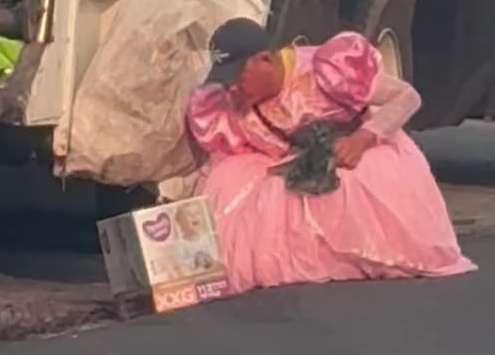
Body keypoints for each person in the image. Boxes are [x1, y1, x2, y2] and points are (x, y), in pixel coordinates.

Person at [185, 18, 476, 294]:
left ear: (265, 60)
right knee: (238, 182)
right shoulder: (235, 104)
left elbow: (407, 97)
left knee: (357, 179)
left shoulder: (324, 69)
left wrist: (364, 137)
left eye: (238, 76)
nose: (233, 87)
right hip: (293, 167)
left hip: (356, 154)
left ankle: (363, 251)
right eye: (226, 79)